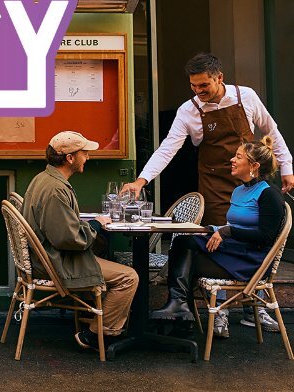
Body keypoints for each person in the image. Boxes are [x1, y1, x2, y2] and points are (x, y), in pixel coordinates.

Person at [122, 53, 293, 226]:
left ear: (219, 78)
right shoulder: (188, 110)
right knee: (216, 236)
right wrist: (140, 181)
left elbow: (271, 131)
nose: (198, 91)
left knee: (252, 232)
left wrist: (286, 167)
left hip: (251, 181)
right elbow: (167, 149)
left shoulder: (246, 96)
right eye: (193, 86)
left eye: (203, 85)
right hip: (215, 186)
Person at [150, 136, 285, 339]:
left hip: (250, 261)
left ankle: (178, 310)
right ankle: (179, 311)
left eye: (238, 156)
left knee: (185, 252)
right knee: (183, 242)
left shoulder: (270, 194)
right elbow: (236, 225)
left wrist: (226, 232)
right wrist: (213, 228)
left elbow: (265, 237)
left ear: (254, 166)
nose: (232, 159)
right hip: (234, 250)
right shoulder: (239, 191)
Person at [22, 131, 139, 352]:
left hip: (45, 257)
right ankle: (96, 335)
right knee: (128, 277)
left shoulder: (44, 179)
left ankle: (96, 315)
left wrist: (92, 227)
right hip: (56, 262)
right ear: (70, 158)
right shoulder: (56, 189)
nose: (88, 157)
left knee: (103, 249)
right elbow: (69, 239)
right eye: (84, 153)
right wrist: (94, 225)